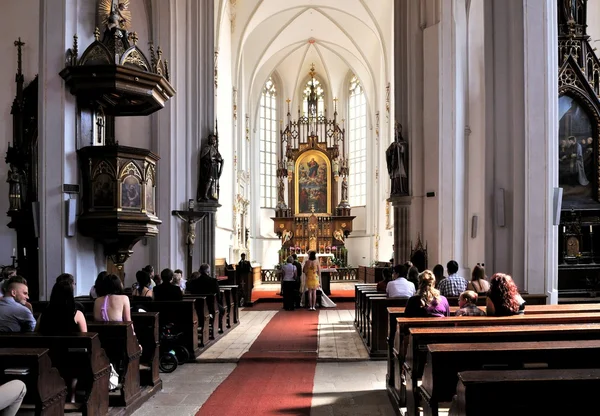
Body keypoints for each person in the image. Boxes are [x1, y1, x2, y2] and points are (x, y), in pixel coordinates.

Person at [36, 281, 87, 403]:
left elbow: (35, 332)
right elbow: (86, 337)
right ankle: (72, 396)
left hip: (50, 354)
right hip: (71, 355)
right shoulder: (76, 314)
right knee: (80, 358)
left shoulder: (44, 314)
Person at [198, 133, 224, 200]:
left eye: (214, 139)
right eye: (212, 139)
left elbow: (219, 157)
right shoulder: (206, 148)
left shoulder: (214, 149)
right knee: (209, 180)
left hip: (214, 167)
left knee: (213, 181)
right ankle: (205, 194)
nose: (213, 141)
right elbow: (204, 157)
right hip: (208, 167)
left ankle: (211, 194)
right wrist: (213, 159)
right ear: (209, 140)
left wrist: (219, 159)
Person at [385, 121, 408, 195]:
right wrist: (392, 148)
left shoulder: (403, 142)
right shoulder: (393, 144)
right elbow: (387, 152)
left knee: (401, 174)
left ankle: (402, 190)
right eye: (394, 132)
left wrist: (400, 147)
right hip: (394, 164)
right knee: (395, 176)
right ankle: (395, 190)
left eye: (396, 132)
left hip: (400, 162)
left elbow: (405, 149)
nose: (395, 134)